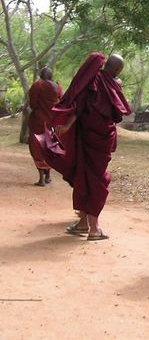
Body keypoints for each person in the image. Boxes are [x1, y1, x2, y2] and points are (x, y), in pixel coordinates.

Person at [46, 52, 130, 240]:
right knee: (96, 180)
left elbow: (79, 105)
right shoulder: (112, 84)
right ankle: (93, 228)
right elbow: (117, 112)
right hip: (100, 138)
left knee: (84, 176)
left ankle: (85, 223)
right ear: (116, 70)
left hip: (88, 137)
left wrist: (67, 125)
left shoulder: (94, 81)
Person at [27, 66, 62, 186]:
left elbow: (33, 103)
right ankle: (48, 176)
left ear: (41, 75)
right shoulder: (57, 87)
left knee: (37, 148)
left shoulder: (37, 85)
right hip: (52, 122)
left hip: (38, 122)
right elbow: (60, 103)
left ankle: (41, 178)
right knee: (49, 148)